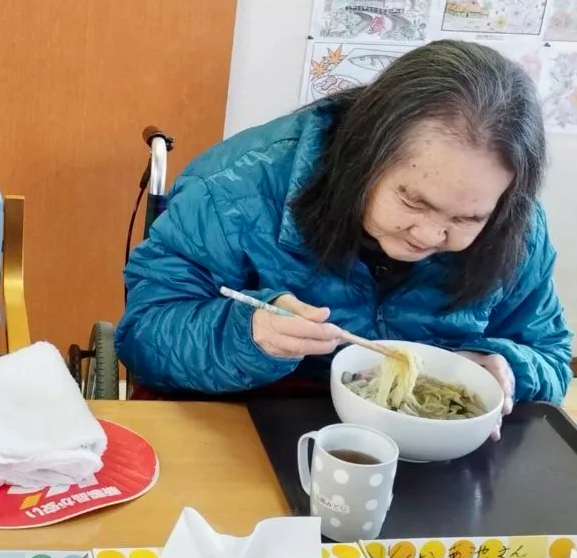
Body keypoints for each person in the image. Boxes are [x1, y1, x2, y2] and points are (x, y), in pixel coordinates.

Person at [116, 40, 573, 421]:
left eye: (466, 219)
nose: (430, 236)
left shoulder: (515, 225)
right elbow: (145, 336)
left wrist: (508, 369)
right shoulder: (235, 190)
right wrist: (250, 336)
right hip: (245, 417)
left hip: (421, 448)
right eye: (414, 202)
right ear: (364, 155)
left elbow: (550, 355)